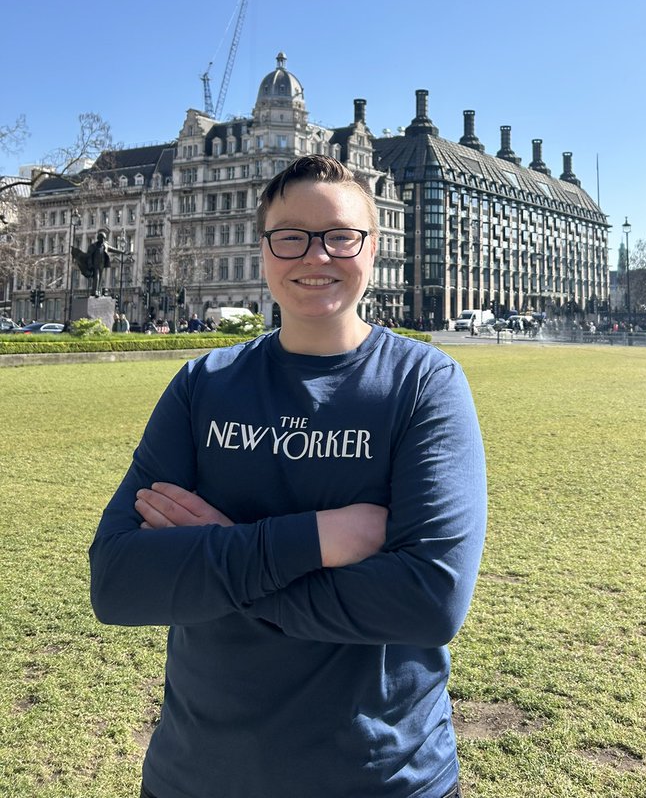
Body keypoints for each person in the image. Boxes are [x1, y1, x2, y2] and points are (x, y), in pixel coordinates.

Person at [89, 156, 487, 798]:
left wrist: (220, 553)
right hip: (198, 775)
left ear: (372, 246)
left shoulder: (423, 384)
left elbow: (428, 600)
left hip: (380, 776)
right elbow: (118, 581)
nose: (317, 256)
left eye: (339, 236)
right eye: (291, 236)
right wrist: (315, 541)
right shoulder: (203, 385)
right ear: (266, 247)